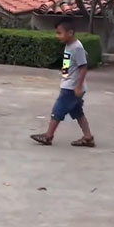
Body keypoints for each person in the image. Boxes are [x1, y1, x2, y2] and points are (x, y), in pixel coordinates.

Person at [31, 17, 95, 148]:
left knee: (57, 110)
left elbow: (83, 67)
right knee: (77, 112)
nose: (57, 36)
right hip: (69, 83)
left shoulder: (77, 47)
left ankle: (48, 136)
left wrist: (78, 87)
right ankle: (88, 137)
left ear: (70, 33)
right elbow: (69, 63)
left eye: (59, 33)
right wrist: (65, 71)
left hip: (71, 87)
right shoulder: (69, 45)